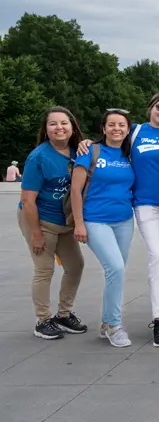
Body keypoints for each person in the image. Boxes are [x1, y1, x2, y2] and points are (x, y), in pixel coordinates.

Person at [78, 93, 159, 347]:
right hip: (145, 205)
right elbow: (110, 141)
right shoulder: (135, 132)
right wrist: (86, 142)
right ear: (150, 108)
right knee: (158, 258)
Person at [17, 107, 87, 340]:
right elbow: (27, 201)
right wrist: (35, 233)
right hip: (39, 219)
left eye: (64, 123)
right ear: (45, 130)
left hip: (64, 221)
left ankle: (64, 315)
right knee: (44, 270)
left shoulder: (78, 152)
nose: (59, 128)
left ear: (72, 127)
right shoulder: (39, 157)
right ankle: (43, 319)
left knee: (75, 266)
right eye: (53, 124)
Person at [71, 109, 136, 348]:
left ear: (128, 129)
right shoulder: (89, 151)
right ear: (103, 128)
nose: (116, 128)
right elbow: (76, 190)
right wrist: (79, 223)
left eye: (121, 125)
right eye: (111, 124)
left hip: (124, 220)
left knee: (116, 273)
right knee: (116, 268)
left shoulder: (130, 155)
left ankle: (107, 322)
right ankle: (114, 325)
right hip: (95, 220)